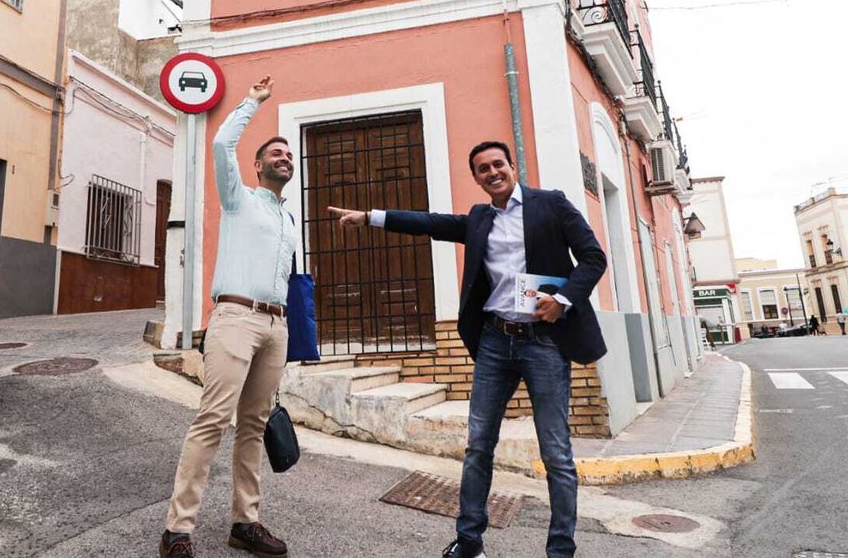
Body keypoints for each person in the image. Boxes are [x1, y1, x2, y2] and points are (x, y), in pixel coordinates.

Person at [329, 141, 607, 558]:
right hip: (496, 340)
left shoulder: (551, 204)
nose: (492, 172)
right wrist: (370, 217)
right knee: (478, 445)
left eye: (498, 164)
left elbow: (593, 257)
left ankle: (561, 550)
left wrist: (563, 299)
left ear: (511, 167)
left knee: (556, 452)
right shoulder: (479, 218)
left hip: (544, 342)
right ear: (476, 177)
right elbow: (430, 223)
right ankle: (470, 541)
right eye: (483, 169)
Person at [161, 76, 294, 558]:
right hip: (236, 317)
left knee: (254, 425)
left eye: (288, 154)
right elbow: (221, 144)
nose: (284, 157)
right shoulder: (240, 198)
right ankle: (177, 530)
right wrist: (253, 102)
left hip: (276, 326)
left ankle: (246, 522)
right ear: (258, 166)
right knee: (213, 419)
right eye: (275, 153)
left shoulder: (288, 219)